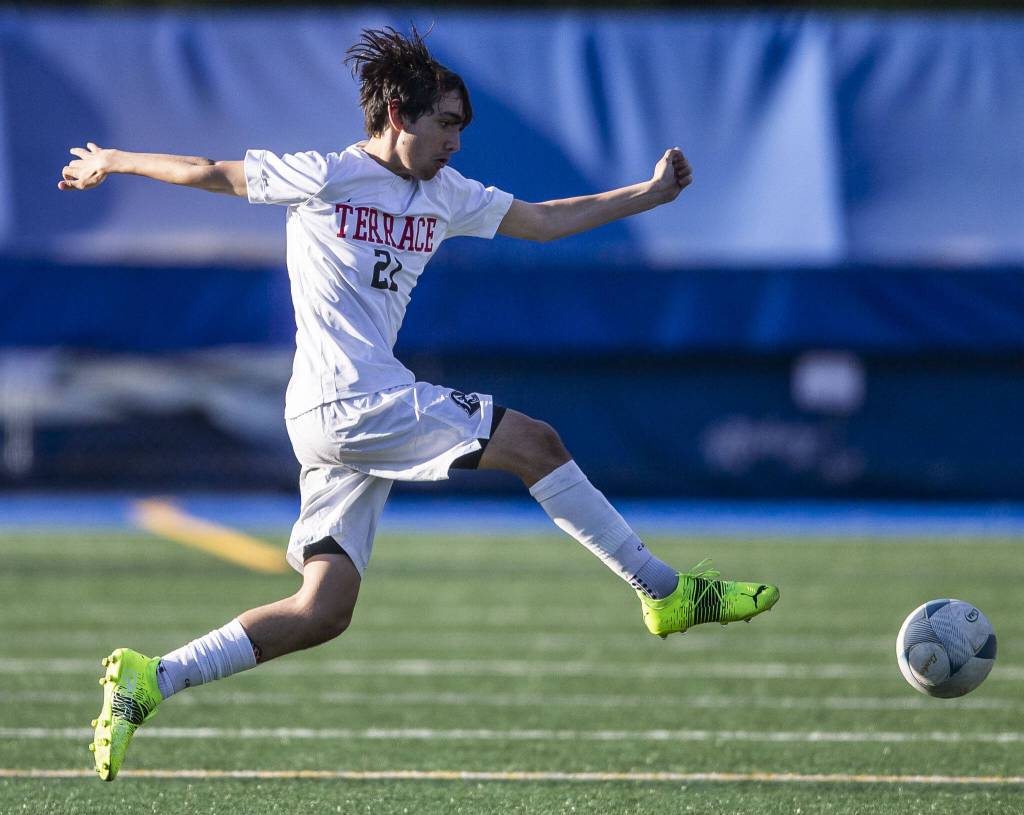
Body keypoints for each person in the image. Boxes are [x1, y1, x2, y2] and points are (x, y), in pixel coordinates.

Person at [59, 26, 779, 782]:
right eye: (447, 122)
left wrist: (649, 193)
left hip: (334, 416)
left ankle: (152, 677)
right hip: (352, 399)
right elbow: (209, 171)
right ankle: (662, 589)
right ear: (398, 115)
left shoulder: (446, 194)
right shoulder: (326, 174)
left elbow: (541, 221)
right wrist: (112, 160)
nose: (457, 141)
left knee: (322, 610)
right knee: (536, 442)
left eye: (462, 126)